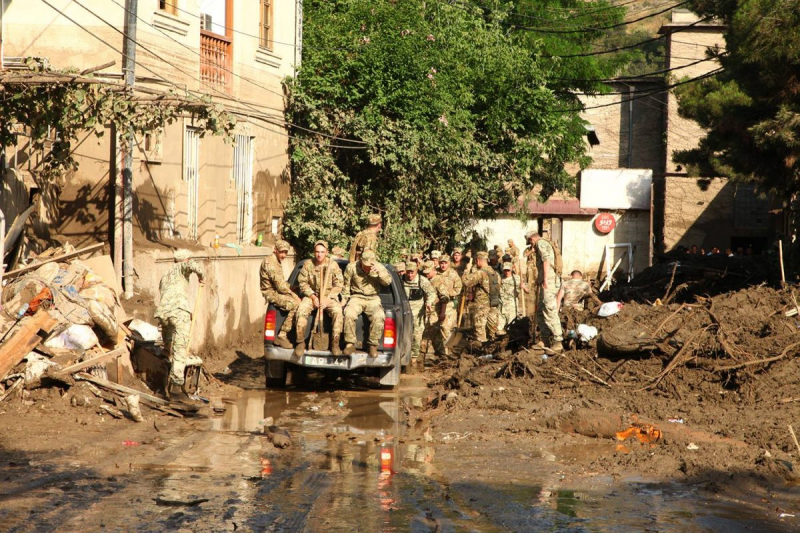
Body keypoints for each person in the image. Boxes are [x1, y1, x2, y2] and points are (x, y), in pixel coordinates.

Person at [154, 249, 205, 393]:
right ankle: (176, 386)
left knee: (168, 338)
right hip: (178, 311)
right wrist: (202, 275)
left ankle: (166, 352)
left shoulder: (165, 275)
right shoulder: (183, 266)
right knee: (180, 347)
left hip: (163, 312)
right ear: (186, 260)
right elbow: (192, 266)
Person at [294, 240, 344, 356]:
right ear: (314, 252)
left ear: (326, 252)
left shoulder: (333, 265)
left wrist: (329, 299)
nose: (319, 254)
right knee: (301, 310)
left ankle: (335, 344)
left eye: (322, 252)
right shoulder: (308, 264)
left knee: (338, 311)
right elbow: (302, 283)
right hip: (312, 296)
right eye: (317, 252)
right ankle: (300, 342)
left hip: (328, 297)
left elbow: (339, 284)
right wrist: (312, 297)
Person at [341, 250, 392, 357]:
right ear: (360, 260)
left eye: (369, 265)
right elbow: (346, 285)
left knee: (379, 316)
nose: (367, 267)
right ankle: (350, 344)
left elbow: (387, 282)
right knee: (349, 313)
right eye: (365, 265)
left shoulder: (379, 267)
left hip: (373, 298)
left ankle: (373, 345)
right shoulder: (352, 267)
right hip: (356, 296)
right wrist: (344, 300)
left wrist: (380, 273)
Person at [259, 239, 299, 349]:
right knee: (295, 304)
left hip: (276, 290)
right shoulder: (271, 263)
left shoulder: (276, 260)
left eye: (285, 252)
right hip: (272, 293)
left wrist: (292, 288)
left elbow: (281, 283)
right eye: (281, 252)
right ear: (275, 250)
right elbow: (280, 287)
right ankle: (282, 335)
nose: (283, 255)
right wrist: (293, 295)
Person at [529, 232, 564, 351]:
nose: (531, 245)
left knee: (550, 309)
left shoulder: (540, 243)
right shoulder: (544, 243)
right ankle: (545, 340)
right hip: (547, 281)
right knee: (540, 310)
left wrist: (545, 279)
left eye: (530, 242)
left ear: (532, 238)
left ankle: (558, 340)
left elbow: (546, 260)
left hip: (549, 281)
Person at [461, 251, 501, 343]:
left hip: (482, 306)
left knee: (480, 329)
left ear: (478, 260)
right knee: (492, 330)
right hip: (494, 304)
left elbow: (466, 282)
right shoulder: (495, 273)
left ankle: (481, 351)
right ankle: (493, 350)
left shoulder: (481, 273)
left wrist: (467, 270)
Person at [403, 262, 438, 362]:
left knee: (416, 334)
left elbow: (431, 293)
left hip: (417, 311)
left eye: (412, 273)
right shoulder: (401, 279)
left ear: (416, 271)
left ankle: (414, 357)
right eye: (408, 272)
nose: (410, 275)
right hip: (404, 310)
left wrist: (429, 302)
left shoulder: (422, 280)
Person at [430, 254, 462, 357]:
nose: (443, 265)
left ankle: (451, 351)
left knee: (447, 327)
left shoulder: (453, 274)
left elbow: (458, 289)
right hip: (436, 304)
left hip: (449, 304)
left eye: (445, 263)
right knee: (434, 327)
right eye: (441, 263)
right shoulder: (436, 272)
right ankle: (440, 351)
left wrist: (447, 293)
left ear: (449, 263)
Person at [497, 262, 523, 334]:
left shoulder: (517, 278)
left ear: (511, 269)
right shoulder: (500, 278)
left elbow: (527, 290)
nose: (506, 272)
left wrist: (523, 287)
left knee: (511, 326)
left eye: (508, 270)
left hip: (512, 305)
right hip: (502, 305)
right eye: (505, 270)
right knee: (499, 329)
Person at [523, 231, 539, 323]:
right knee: (530, 283)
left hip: (536, 268)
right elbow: (524, 256)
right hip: (530, 268)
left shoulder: (539, 248)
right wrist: (531, 252)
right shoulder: (528, 249)